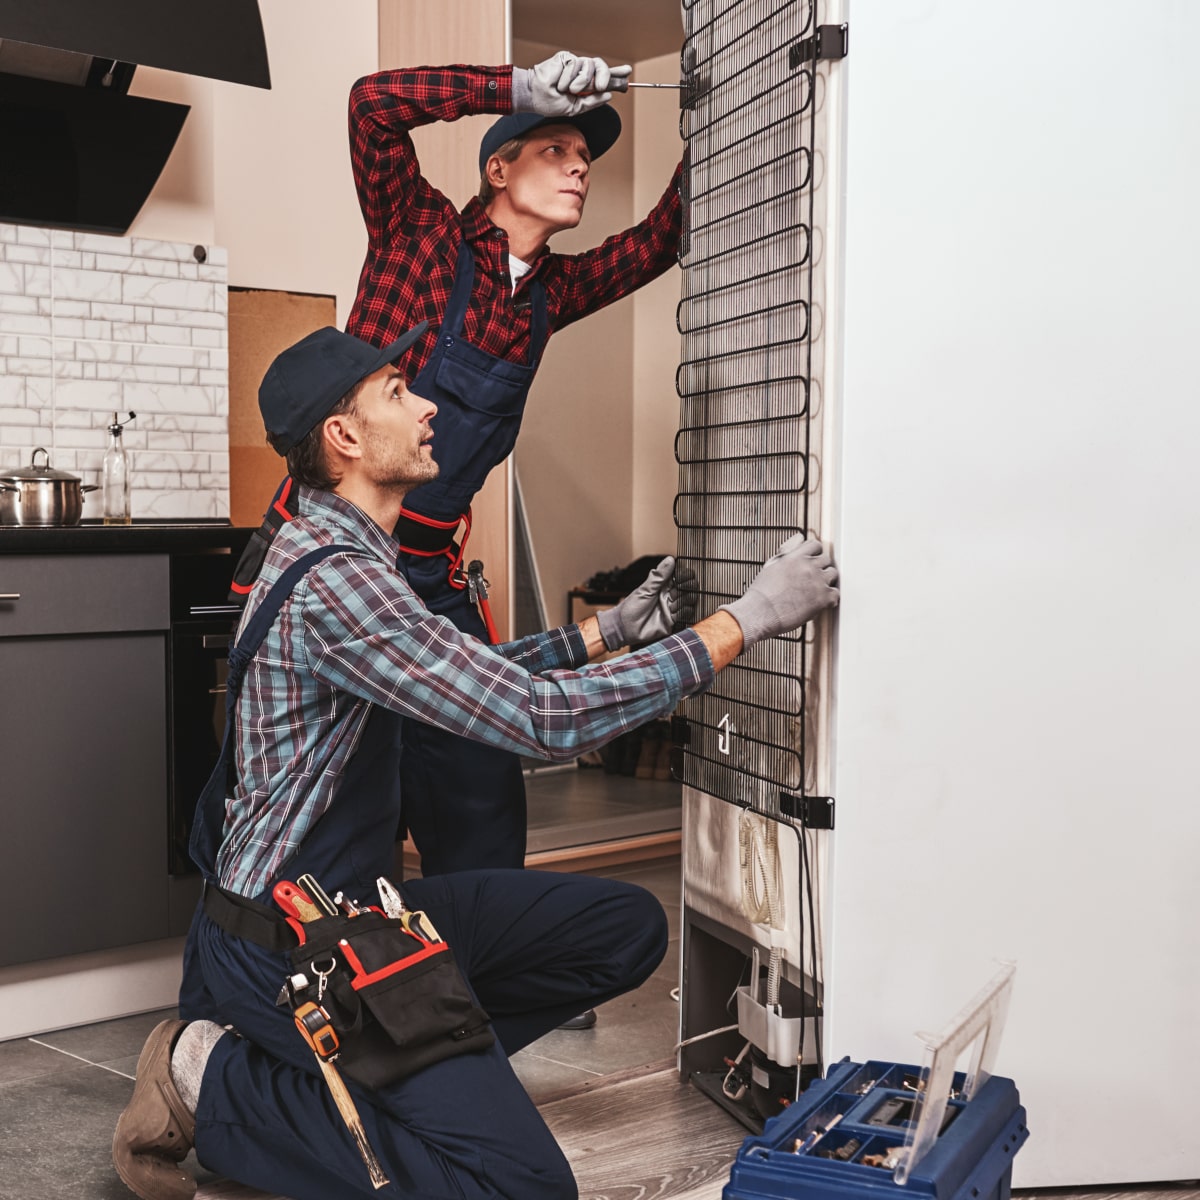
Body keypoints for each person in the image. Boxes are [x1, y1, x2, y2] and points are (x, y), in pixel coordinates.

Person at [111, 327, 838, 1200]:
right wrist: (743, 621)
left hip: (364, 913)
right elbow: (538, 722)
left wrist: (605, 632)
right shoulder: (340, 582)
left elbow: (465, 680)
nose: (427, 408)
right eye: (395, 393)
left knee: (625, 931)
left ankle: (409, 1070)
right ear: (343, 439)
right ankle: (213, 1075)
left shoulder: (342, 554)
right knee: (519, 1185)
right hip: (291, 949)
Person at [343, 50, 683, 878]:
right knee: (347, 801)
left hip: (431, 571)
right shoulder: (417, 237)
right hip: (345, 557)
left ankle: (493, 966)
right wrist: (516, 87)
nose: (578, 170)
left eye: (585, 159)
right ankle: (356, 983)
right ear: (497, 168)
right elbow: (371, 106)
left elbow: (660, 239)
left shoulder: (548, 294)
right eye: (554, 150)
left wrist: (721, 103)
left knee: (481, 789)